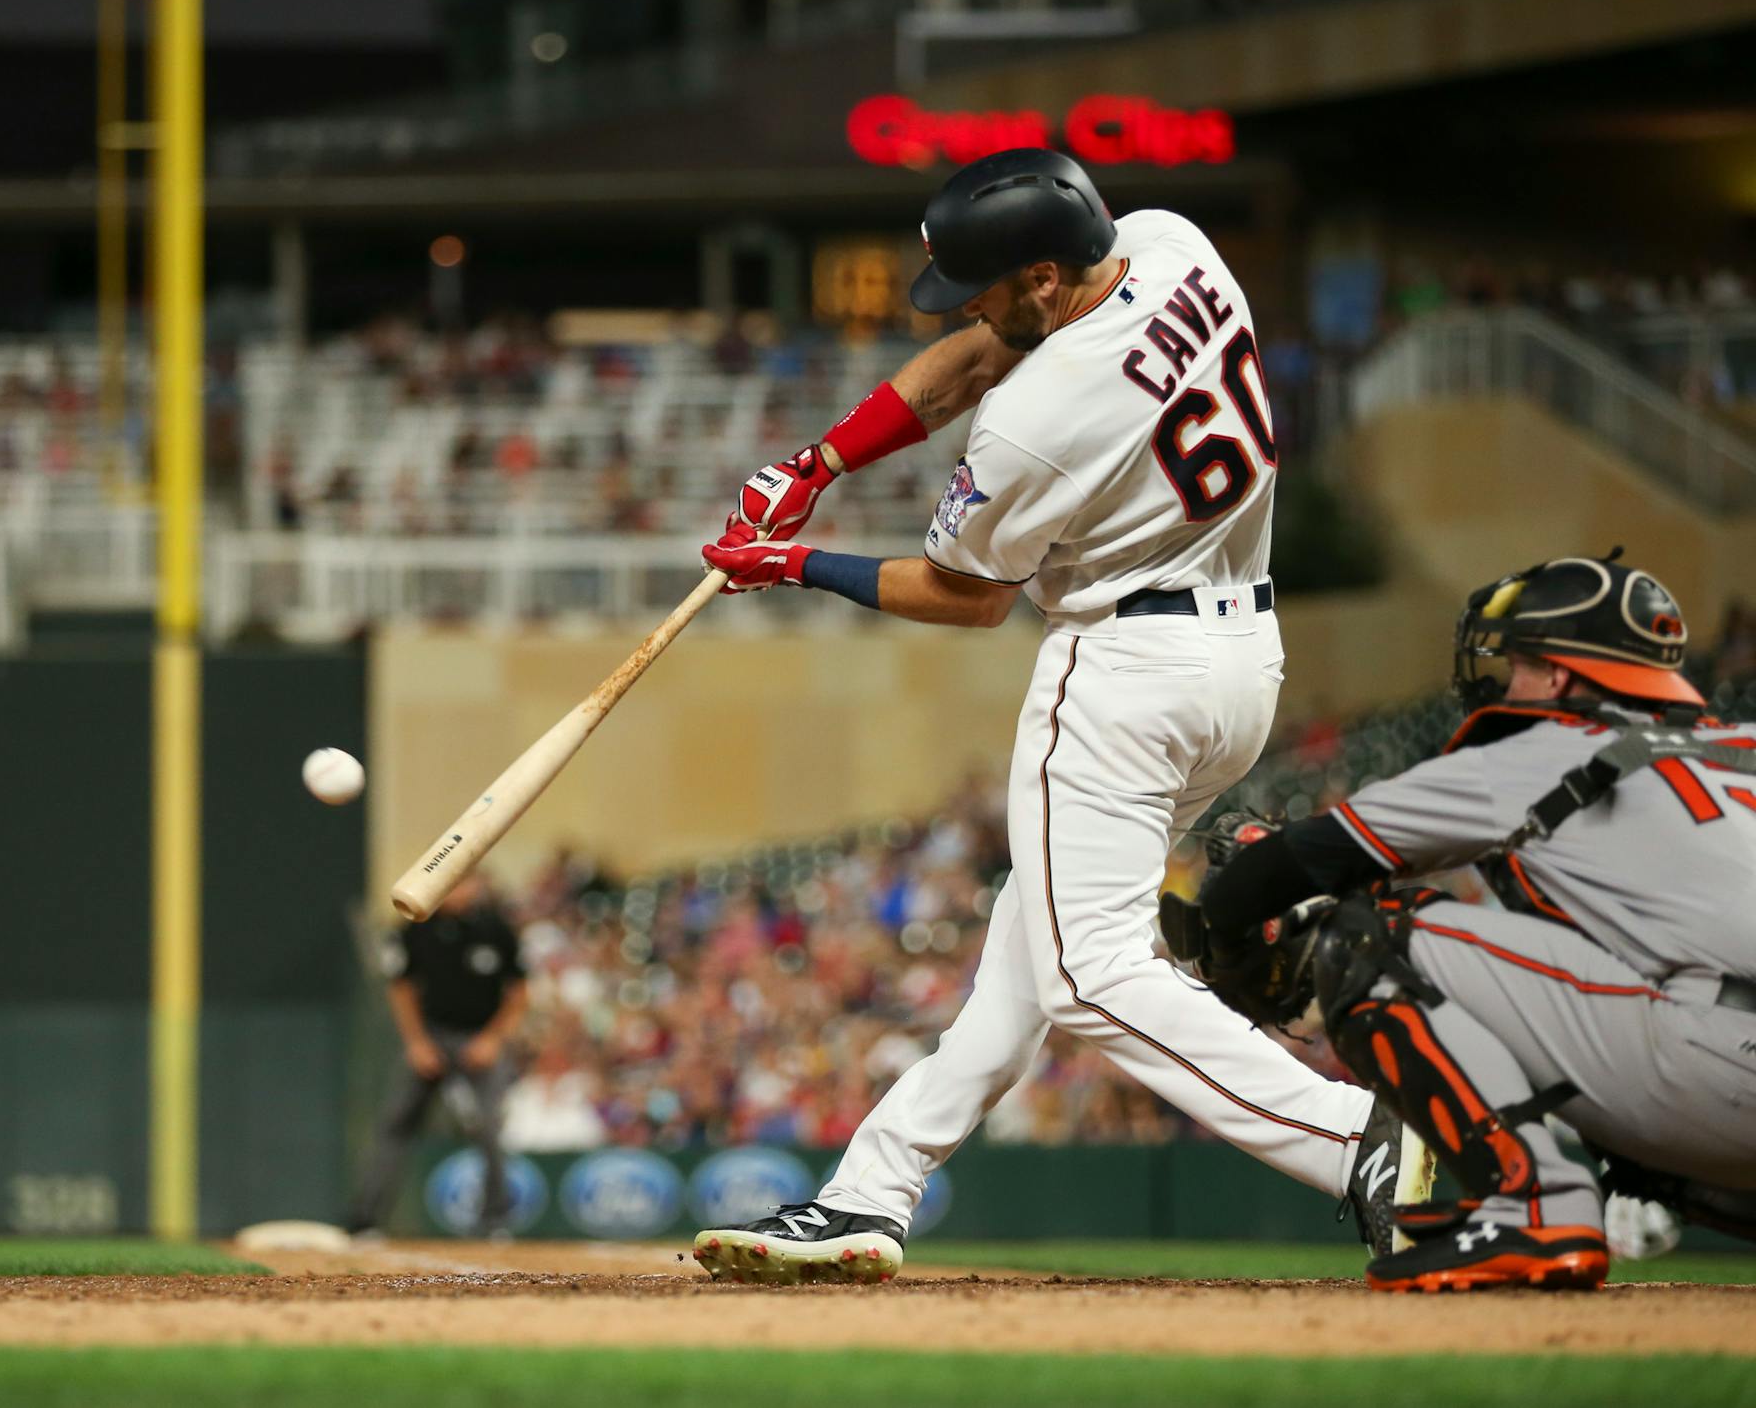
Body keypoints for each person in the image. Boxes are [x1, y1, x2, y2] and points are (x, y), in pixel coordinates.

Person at [689, 148, 1425, 1285]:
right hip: (1237, 660)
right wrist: (820, 458)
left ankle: (1361, 1145)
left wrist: (795, 560)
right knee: (1028, 963)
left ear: (1040, 273)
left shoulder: (1037, 418)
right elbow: (987, 350)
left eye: (982, 283)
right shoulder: (1172, 241)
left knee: (1087, 973)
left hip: (1124, 669)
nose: (965, 306)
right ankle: (867, 1193)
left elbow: (970, 597)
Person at [1170, 554, 1756, 1291]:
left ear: (1560, 676)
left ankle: (1534, 1200)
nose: (1505, 679)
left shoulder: (1545, 748)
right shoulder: (1744, 745)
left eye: (1518, 661)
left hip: (1717, 1073)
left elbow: (1296, 861)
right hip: (1712, 1063)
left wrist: (1225, 937)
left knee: (1372, 936)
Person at [346, 874, 527, 1237]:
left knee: (490, 1127)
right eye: (453, 884)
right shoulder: (416, 930)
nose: (460, 891)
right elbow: (402, 990)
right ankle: (365, 1221)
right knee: (395, 1126)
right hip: (432, 1037)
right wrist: (416, 1043)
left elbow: (519, 992)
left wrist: (493, 1039)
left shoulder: (496, 930)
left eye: (466, 884)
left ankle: (495, 1220)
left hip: (480, 1041)